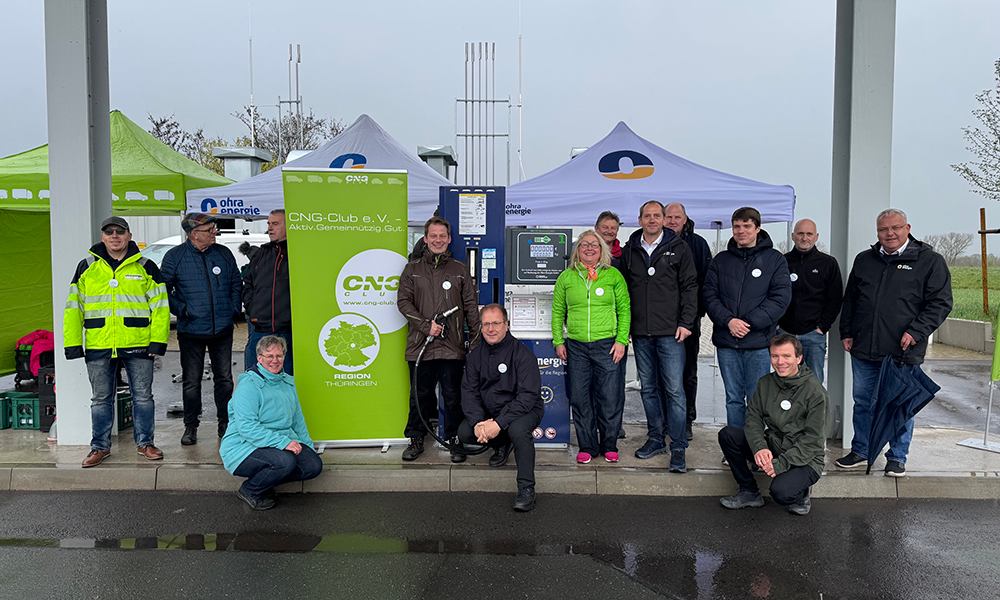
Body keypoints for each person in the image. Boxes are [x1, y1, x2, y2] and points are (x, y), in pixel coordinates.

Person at [836, 208, 952, 477]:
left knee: (900, 405)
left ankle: (897, 457)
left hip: (902, 350)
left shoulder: (929, 261)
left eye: (895, 228)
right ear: (877, 232)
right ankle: (861, 450)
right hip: (864, 348)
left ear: (907, 228)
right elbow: (851, 299)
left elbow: (940, 302)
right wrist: (846, 331)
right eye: (883, 229)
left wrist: (916, 331)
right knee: (863, 402)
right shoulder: (865, 260)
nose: (889, 233)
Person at [64, 216, 169, 467]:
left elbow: (161, 307)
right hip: (99, 342)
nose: (114, 236)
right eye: (109, 232)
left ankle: (146, 443)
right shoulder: (86, 266)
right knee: (100, 399)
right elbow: (73, 308)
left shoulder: (146, 266)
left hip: (138, 342)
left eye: (119, 231)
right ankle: (99, 447)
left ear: (129, 236)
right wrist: (72, 343)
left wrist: (157, 342)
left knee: (143, 397)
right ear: (102, 237)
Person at [621, 200, 698, 472]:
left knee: (675, 391)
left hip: (671, 333)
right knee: (649, 389)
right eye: (647, 215)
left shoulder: (679, 248)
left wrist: (686, 322)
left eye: (657, 215)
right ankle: (656, 439)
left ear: (665, 219)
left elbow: (690, 287)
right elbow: (624, 291)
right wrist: (626, 327)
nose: (652, 220)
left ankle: (678, 446)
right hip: (641, 333)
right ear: (639, 219)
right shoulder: (630, 250)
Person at [397, 217, 481, 463]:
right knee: (419, 395)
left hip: (452, 347)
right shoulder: (412, 270)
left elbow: (471, 308)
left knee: (453, 395)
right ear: (425, 239)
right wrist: (426, 326)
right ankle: (415, 438)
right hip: (420, 346)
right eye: (433, 236)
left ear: (449, 239)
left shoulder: (459, 269)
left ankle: (454, 439)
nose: (438, 240)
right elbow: (403, 302)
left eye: (442, 236)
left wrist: (475, 344)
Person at [703, 206, 791, 431]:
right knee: (733, 399)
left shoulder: (775, 260)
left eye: (746, 226)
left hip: (758, 344)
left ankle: (755, 447)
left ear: (757, 228)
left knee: (756, 399)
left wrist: (748, 323)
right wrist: (729, 321)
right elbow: (709, 295)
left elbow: (780, 298)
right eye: (736, 226)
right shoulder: (721, 260)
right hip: (726, 342)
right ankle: (735, 446)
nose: (741, 231)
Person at [718, 334, 827, 515]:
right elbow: (753, 418)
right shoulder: (766, 383)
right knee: (728, 435)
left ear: (799, 358)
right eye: (775, 356)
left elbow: (813, 441)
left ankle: (802, 493)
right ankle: (749, 491)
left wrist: (780, 464)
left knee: (782, 493)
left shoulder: (815, 392)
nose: (780, 362)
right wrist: (759, 447)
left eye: (786, 356)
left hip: (805, 458)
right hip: (774, 446)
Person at [161, 213, 243, 445]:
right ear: (194, 234)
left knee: (225, 379)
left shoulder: (224, 253)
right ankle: (190, 426)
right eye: (210, 230)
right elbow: (163, 291)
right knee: (191, 381)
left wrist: (233, 308)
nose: (214, 233)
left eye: (214, 229)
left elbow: (236, 282)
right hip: (191, 331)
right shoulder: (174, 257)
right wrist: (182, 310)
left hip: (222, 329)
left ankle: (225, 423)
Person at [552, 230, 630, 463]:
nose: (589, 248)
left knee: (609, 396)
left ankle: (609, 445)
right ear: (577, 250)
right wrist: (558, 340)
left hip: (607, 344)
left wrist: (621, 340)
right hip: (576, 346)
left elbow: (624, 310)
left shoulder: (613, 275)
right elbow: (557, 312)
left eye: (594, 245)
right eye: (584, 244)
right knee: (579, 396)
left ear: (601, 250)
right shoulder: (566, 277)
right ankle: (587, 445)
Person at [220, 335, 322, 510]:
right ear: (259, 358)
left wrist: (307, 446)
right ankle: (250, 490)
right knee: (285, 461)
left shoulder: (286, 382)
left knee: (312, 466)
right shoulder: (249, 387)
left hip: (277, 444)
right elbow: (247, 428)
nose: (275, 361)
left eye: (279, 356)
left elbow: (298, 419)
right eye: (269, 356)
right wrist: (284, 443)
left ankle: (265, 482)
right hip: (244, 446)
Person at [459, 304, 544, 512]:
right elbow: (468, 393)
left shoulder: (523, 355)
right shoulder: (475, 356)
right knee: (464, 432)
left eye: (496, 323)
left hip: (525, 410)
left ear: (507, 325)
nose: (491, 329)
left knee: (517, 430)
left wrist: (498, 423)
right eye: (486, 324)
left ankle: (526, 488)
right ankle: (502, 444)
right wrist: (479, 422)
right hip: (490, 412)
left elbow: (527, 397)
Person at [663, 203, 712, 440]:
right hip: (660, 322)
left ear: (685, 219)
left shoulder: (698, 244)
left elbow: (705, 282)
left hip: (688, 320)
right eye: (668, 217)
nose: (672, 221)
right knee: (663, 374)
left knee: (687, 372)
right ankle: (665, 419)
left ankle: (686, 419)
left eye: (677, 217)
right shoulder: (654, 242)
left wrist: (695, 314)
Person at [778, 218, 843, 384]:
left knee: (813, 384)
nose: (804, 237)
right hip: (785, 333)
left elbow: (835, 299)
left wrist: (822, 327)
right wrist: (777, 323)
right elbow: (772, 294)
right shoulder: (781, 262)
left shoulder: (828, 263)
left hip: (813, 335)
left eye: (809, 234)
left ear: (816, 237)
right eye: (800, 233)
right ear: (793, 236)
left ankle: (812, 411)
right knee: (784, 382)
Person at [243, 209, 293, 374]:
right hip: (261, 329)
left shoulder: (298, 253)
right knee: (255, 378)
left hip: (288, 331)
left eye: (275, 224)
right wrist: (252, 307)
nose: (270, 228)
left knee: (286, 380)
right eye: (269, 224)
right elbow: (248, 282)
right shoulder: (262, 253)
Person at [595, 211, 628, 441]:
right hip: (590, 330)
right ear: (597, 228)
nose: (609, 231)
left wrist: (623, 333)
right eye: (605, 227)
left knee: (615, 382)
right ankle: (594, 423)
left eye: (613, 228)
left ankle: (614, 426)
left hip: (615, 330)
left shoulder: (622, 256)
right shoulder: (583, 252)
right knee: (591, 385)